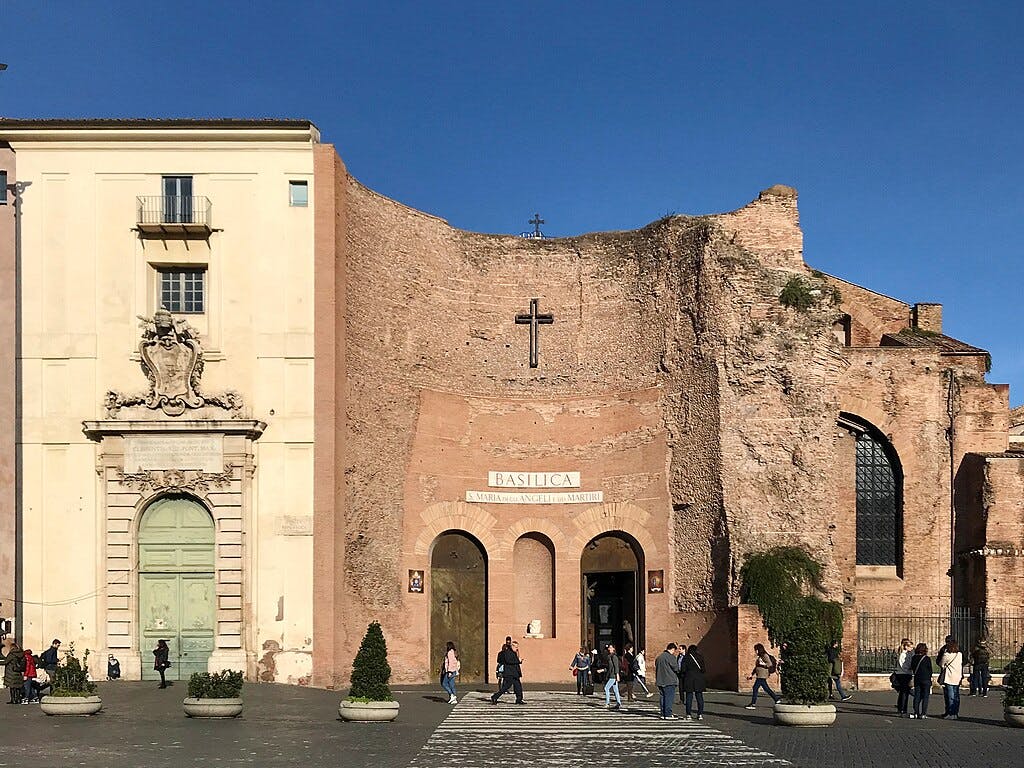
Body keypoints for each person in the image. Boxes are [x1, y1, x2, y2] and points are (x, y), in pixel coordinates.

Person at [745, 643, 779, 709]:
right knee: (766, 689)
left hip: (763, 674)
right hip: (760, 674)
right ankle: (776, 699)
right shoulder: (760, 657)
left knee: (755, 688)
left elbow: (770, 664)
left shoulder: (765, 655)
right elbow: (756, 667)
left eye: (756, 649)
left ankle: (753, 704)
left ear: (759, 649)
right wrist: (751, 674)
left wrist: (762, 664)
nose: (755, 651)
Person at [490, 640, 525, 705]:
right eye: (516, 647)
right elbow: (509, 661)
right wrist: (518, 661)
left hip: (515, 673)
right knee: (506, 686)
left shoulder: (514, 653)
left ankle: (519, 699)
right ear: (512, 646)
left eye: (517, 647)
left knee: (518, 686)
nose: (517, 648)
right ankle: (495, 697)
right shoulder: (507, 652)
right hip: (509, 673)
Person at [937, 638, 963, 720]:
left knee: (950, 695)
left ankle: (951, 712)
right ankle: (955, 713)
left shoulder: (946, 655)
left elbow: (941, 664)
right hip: (957, 676)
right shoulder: (959, 654)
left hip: (949, 676)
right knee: (956, 696)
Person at [682, 644, 707, 721]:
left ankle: (688, 714)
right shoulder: (700, 657)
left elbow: (683, 669)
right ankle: (700, 714)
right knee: (699, 697)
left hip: (689, 679)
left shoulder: (686, 657)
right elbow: (703, 669)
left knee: (689, 697)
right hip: (699, 680)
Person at [655, 643, 680, 720]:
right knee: (669, 697)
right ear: (672, 649)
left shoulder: (659, 657)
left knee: (662, 697)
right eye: (674, 651)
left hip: (660, 680)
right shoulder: (670, 657)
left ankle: (663, 713)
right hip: (669, 680)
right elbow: (676, 668)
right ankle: (668, 714)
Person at [910, 642, 933, 719]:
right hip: (926, 679)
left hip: (917, 678)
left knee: (917, 696)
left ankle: (916, 712)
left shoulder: (914, 658)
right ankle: (923, 713)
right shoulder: (927, 658)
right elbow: (930, 670)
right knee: (925, 696)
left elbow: (912, 668)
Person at [893, 638, 914, 717]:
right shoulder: (902, 654)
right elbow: (903, 665)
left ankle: (901, 707)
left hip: (906, 674)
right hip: (903, 674)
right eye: (910, 647)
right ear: (906, 646)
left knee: (904, 692)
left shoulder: (909, 654)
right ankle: (902, 708)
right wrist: (910, 667)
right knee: (904, 692)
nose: (912, 649)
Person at [3, 639, 25, 704]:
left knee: (12, 687)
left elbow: (6, 661)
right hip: (18, 672)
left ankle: (13, 700)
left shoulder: (12, 654)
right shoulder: (21, 654)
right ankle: (18, 699)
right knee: (18, 687)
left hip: (11, 672)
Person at [604, 642, 622, 709]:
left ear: (614, 648)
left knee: (606, 688)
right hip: (611, 674)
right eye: (609, 647)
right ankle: (618, 703)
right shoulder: (609, 656)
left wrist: (617, 675)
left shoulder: (614, 657)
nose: (609, 649)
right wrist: (603, 670)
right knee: (615, 690)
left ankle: (607, 703)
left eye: (611, 647)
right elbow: (609, 667)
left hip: (613, 675)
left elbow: (616, 666)